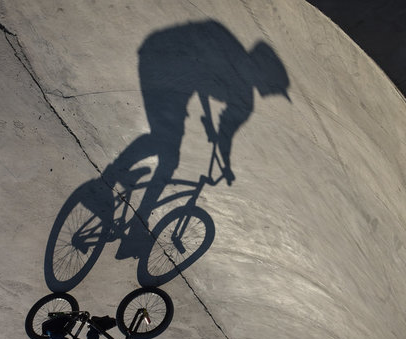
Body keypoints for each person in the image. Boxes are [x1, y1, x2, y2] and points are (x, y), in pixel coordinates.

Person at [107, 20, 290, 259]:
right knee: (168, 151)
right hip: (161, 60)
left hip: (173, 75)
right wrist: (215, 134)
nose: (271, 93)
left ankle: (131, 213)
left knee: (166, 148)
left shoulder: (243, 93)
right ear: (262, 74)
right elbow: (203, 75)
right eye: (273, 86)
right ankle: (114, 188)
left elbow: (225, 131)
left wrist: (223, 161)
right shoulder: (229, 53)